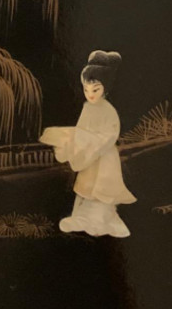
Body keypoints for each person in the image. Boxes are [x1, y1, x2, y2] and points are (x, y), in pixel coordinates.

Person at [40, 51, 136, 238]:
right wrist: (76, 142)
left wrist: (92, 141)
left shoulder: (109, 111)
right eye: (86, 89)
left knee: (101, 190)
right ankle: (81, 218)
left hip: (104, 156)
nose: (90, 94)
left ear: (105, 88)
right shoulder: (87, 108)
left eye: (95, 90)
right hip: (89, 155)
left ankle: (101, 222)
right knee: (86, 188)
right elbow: (81, 131)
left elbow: (110, 135)